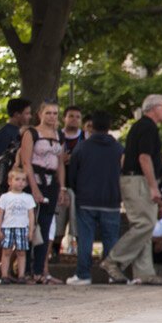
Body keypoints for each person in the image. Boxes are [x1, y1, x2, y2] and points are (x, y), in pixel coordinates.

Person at [101, 94, 162, 285]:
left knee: (144, 225)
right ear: (154, 107)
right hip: (138, 180)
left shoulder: (141, 127)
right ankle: (113, 260)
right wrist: (153, 187)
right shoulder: (147, 127)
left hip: (134, 179)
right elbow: (144, 158)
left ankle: (144, 272)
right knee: (144, 224)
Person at [65, 112, 123, 285]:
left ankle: (83, 275)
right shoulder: (118, 148)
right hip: (111, 199)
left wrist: (78, 191)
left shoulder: (82, 148)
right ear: (109, 126)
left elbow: (72, 175)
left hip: (86, 200)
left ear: (92, 126)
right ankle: (112, 273)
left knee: (86, 238)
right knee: (111, 238)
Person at [18, 101, 67, 283]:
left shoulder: (58, 135)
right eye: (48, 113)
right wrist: (34, 188)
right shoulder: (31, 133)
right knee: (32, 225)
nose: (52, 116)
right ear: (40, 114)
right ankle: (28, 270)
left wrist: (61, 187)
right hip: (35, 181)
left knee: (46, 226)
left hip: (51, 182)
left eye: (55, 113)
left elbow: (61, 163)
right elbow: (26, 162)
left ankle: (40, 270)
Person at [0, 166, 36, 284]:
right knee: (6, 251)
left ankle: (21, 275)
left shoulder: (28, 198)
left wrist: (31, 230)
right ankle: (4, 275)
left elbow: (31, 215)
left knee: (21, 252)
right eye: (17, 179)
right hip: (8, 227)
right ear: (10, 181)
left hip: (22, 227)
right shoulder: (5, 197)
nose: (20, 182)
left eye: (23, 180)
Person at [54, 105, 85, 257]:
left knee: (77, 225)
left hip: (79, 187)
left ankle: (81, 257)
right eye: (71, 116)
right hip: (59, 186)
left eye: (78, 117)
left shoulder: (85, 138)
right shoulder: (57, 136)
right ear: (64, 118)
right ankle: (54, 254)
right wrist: (60, 160)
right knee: (58, 224)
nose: (74, 119)